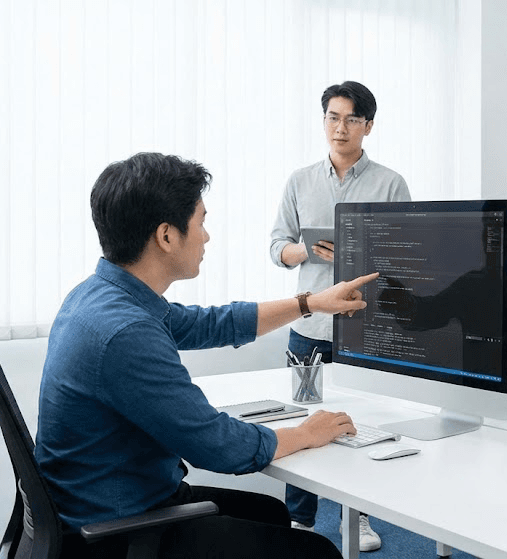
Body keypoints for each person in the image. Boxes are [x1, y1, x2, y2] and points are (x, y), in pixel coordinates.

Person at [36, 152, 378, 559]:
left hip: (107, 500)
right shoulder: (125, 332)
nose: (207, 236)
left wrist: (312, 302)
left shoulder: (101, 295)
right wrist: (306, 433)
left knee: (269, 512)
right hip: (115, 533)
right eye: (200, 221)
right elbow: (218, 446)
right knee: (316, 551)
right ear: (166, 236)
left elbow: (209, 323)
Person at [269, 81, 410, 550]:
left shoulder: (390, 183)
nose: (340, 128)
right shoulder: (299, 180)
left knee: (363, 418)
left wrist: (365, 251)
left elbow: (405, 253)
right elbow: (277, 248)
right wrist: (304, 250)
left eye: (351, 119)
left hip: (364, 324)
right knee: (301, 420)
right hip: (308, 326)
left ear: (368, 125)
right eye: (332, 117)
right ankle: (300, 520)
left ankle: (361, 517)